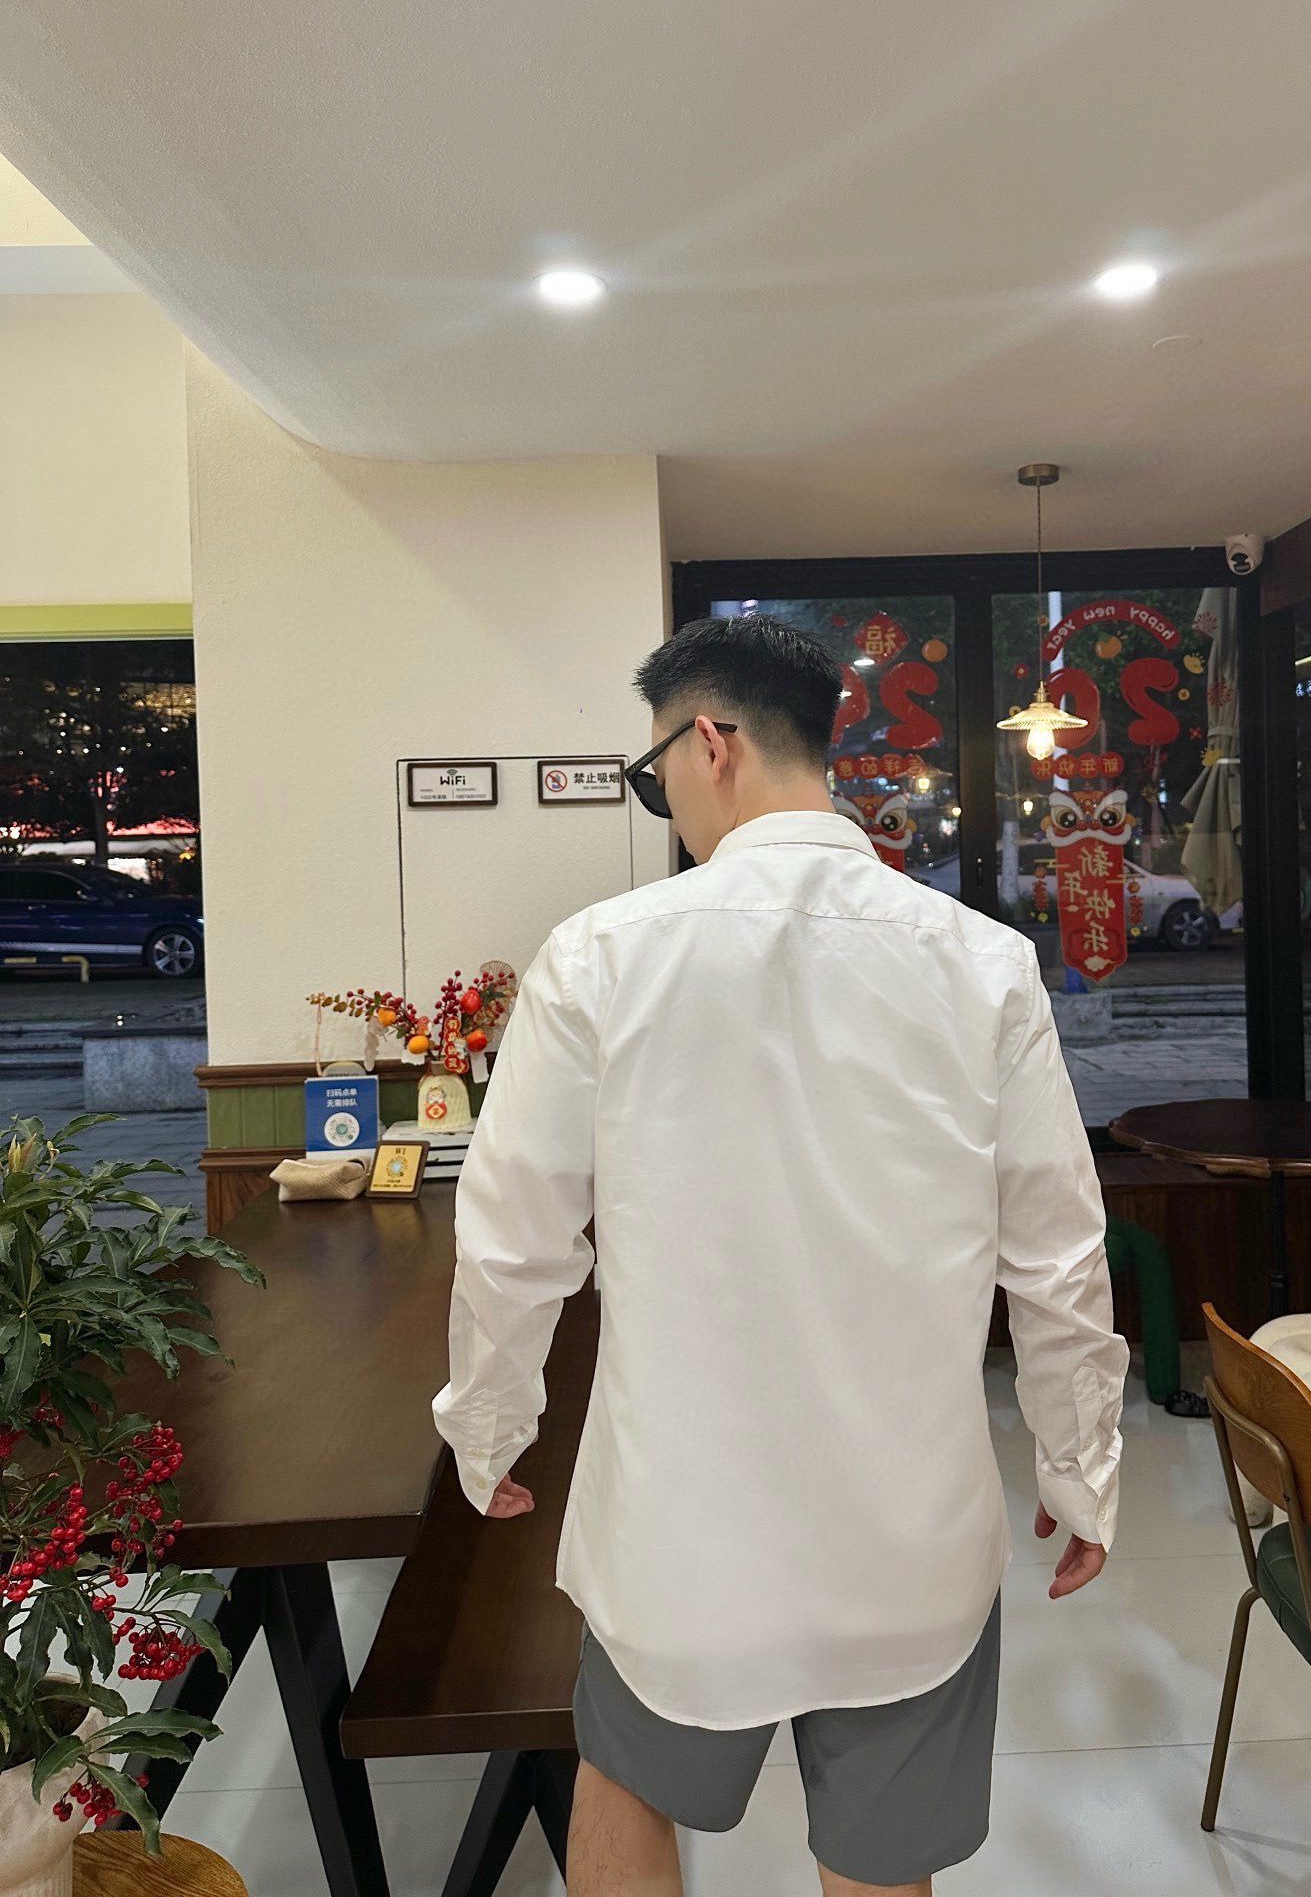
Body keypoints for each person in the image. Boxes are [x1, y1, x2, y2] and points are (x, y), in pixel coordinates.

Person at [432, 613, 1128, 1897]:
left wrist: (491, 1424)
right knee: (880, 1860)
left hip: (682, 1535)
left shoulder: (601, 957)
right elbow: (1057, 1256)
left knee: (627, 1794)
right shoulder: (984, 965)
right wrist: (1078, 1467)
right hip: (908, 1534)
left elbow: (514, 1238)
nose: (665, 806)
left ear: (711, 744)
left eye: (653, 778)